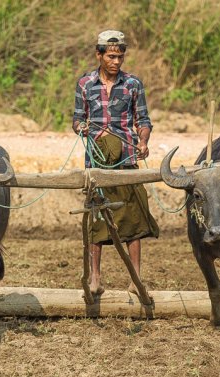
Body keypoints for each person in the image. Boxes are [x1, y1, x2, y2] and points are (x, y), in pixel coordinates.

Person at [72, 30, 159, 296]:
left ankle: (136, 279)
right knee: (97, 217)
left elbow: (143, 121)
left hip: (127, 158)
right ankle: (95, 278)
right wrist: (83, 128)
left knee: (133, 218)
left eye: (120, 56)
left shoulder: (133, 84)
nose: (116, 61)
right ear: (99, 55)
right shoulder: (85, 84)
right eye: (111, 56)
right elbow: (76, 120)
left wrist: (143, 142)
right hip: (96, 159)